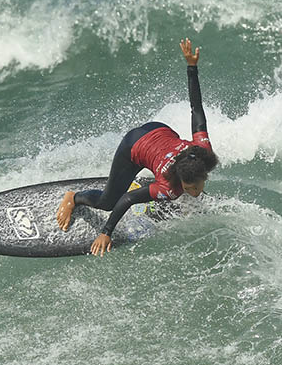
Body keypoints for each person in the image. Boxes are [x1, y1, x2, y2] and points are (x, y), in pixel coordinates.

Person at [56, 38, 218, 256]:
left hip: (158, 129)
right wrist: (106, 232)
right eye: (190, 188)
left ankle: (152, 180)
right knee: (108, 201)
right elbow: (128, 199)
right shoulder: (168, 188)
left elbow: (197, 109)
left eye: (195, 187)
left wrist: (192, 66)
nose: (195, 192)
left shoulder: (202, 152)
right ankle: (73, 197)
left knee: (173, 187)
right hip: (133, 147)